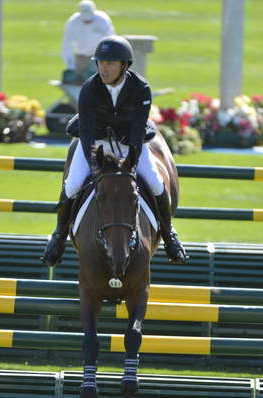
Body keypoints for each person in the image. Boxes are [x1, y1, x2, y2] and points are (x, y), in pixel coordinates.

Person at [43, 35, 188, 266]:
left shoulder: (141, 88)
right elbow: (88, 132)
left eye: (109, 64)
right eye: (100, 63)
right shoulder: (90, 88)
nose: (103, 68)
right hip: (95, 142)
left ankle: (170, 234)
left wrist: (131, 158)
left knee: (155, 182)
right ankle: (58, 236)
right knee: (71, 185)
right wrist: (94, 162)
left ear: (124, 65)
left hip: (130, 142)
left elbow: (138, 129)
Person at [61, 0, 114, 80]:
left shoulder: (102, 20)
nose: (87, 22)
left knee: (99, 81)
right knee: (78, 81)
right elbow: (67, 44)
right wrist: (70, 65)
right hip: (81, 56)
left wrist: (104, 57)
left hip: (98, 56)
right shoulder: (73, 22)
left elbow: (110, 40)